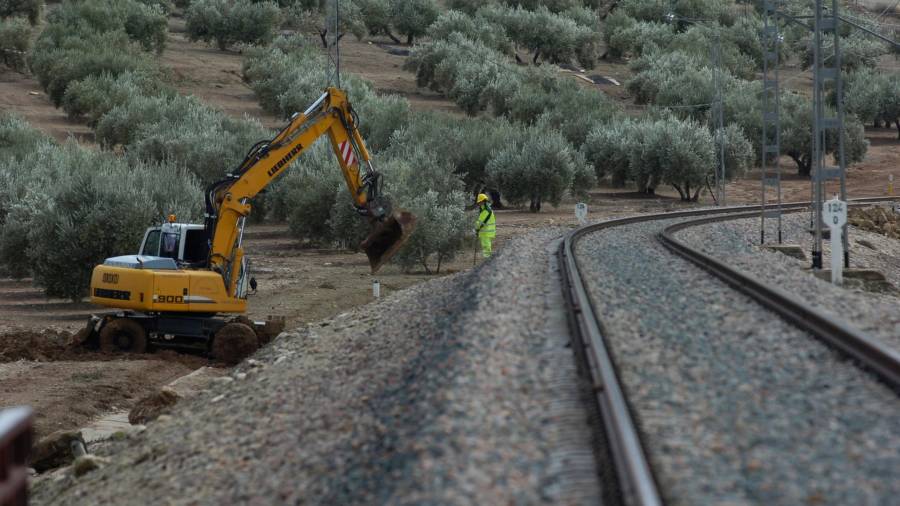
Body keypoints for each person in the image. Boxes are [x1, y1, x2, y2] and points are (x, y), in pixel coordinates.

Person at [474, 193, 496, 258]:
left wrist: (476, 228)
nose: (479, 204)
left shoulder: (486, 211)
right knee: (486, 245)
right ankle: (487, 258)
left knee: (486, 245)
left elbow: (480, 222)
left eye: (480, 202)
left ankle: (487, 259)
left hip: (486, 231)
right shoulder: (485, 209)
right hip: (486, 231)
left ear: (483, 201)